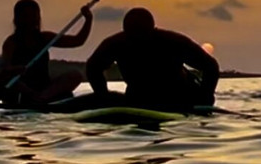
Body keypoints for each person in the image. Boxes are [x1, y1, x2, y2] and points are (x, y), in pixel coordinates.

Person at [85, 8, 219, 111]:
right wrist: (103, 96)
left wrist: (205, 97)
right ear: (125, 31)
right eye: (132, 34)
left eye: (142, 33)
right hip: (139, 97)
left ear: (152, 29)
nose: (138, 40)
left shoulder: (172, 41)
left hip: (178, 95)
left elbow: (211, 66)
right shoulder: (116, 43)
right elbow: (92, 68)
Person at [0, 0, 93, 106]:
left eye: (34, 15)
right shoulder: (11, 42)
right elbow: (4, 69)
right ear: (18, 19)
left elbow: (78, 41)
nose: (30, 20)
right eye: (26, 16)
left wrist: (88, 20)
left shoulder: (45, 38)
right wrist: (14, 70)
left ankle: (41, 98)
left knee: (75, 75)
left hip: (43, 88)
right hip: (20, 87)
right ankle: (34, 97)